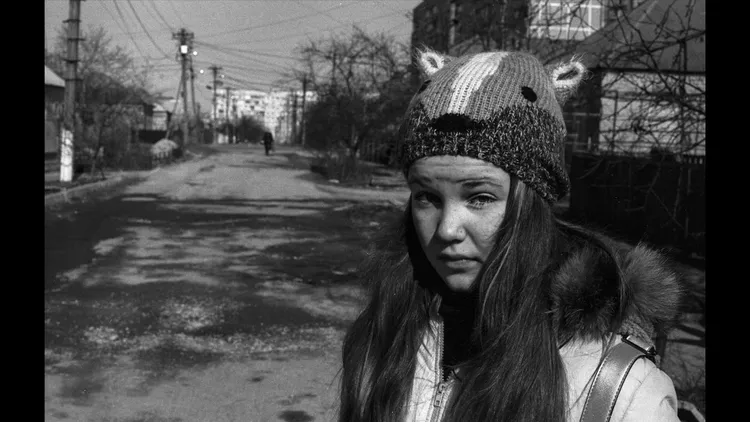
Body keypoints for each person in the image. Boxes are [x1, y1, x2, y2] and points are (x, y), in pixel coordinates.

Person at [338, 49, 683, 421]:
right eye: (427, 197)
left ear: (532, 203)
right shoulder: (383, 335)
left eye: (480, 198)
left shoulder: (622, 392)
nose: (447, 229)